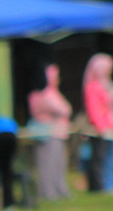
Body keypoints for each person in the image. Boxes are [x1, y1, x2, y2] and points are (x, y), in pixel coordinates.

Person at [27, 64, 73, 201]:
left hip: (58, 133)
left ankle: (59, 189)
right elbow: (65, 109)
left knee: (58, 164)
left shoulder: (52, 93)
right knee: (47, 165)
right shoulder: (42, 95)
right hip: (48, 134)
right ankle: (48, 192)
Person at [82, 53, 113, 193]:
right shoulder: (92, 86)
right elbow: (94, 110)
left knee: (105, 158)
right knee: (98, 158)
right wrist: (101, 126)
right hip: (99, 129)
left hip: (108, 128)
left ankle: (107, 183)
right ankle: (97, 186)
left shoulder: (104, 85)